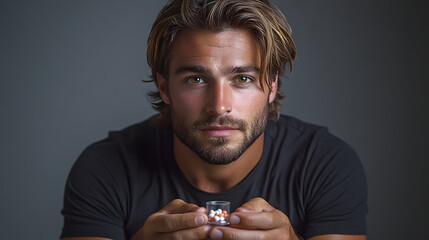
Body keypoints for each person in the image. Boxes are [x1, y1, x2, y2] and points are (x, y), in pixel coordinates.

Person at [60, 0, 368, 239]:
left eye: (243, 79)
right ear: (164, 87)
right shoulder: (106, 167)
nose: (219, 106)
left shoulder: (325, 163)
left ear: (272, 85)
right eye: (196, 79)